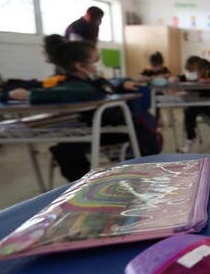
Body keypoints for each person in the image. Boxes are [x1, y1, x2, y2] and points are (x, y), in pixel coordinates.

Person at [41, 35, 146, 181]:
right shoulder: (79, 87)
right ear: (80, 66)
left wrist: (120, 85)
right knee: (142, 129)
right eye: (95, 61)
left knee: (66, 150)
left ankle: (87, 185)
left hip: (85, 132)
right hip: (101, 129)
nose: (97, 66)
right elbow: (107, 100)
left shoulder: (72, 83)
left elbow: (107, 86)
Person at [180, 58, 210, 153]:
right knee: (188, 111)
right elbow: (174, 79)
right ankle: (190, 138)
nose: (193, 72)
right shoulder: (189, 77)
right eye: (191, 70)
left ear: (203, 70)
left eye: (197, 70)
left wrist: (206, 81)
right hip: (195, 104)